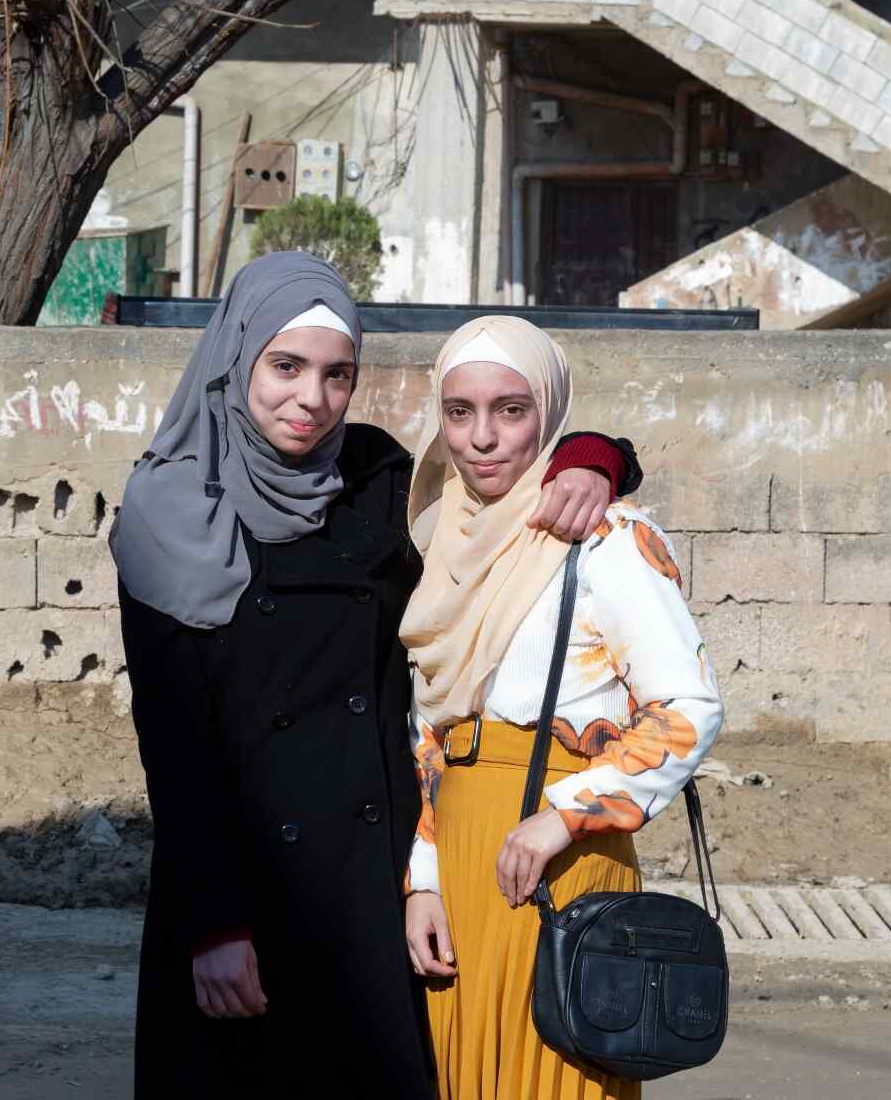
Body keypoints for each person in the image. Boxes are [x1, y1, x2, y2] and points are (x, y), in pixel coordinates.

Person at [111, 255, 641, 1098]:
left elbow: (493, 473)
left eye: (336, 374)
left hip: (370, 883)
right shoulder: (167, 512)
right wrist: (211, 925)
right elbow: (174, 749)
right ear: (236, 355)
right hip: (242, 886)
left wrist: (594, 457)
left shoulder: (373, 478)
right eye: (285, 367)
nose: (310, 399)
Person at [400, 317, 723, 1100]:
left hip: (561, 861)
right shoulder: (437, 536)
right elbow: (431, 736)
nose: (482, 438)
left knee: (554, 1073)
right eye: (459, 412)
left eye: (512, 410)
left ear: (549, 410)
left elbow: (687, 708)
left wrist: (564, 815)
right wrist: (422, 881)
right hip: (462, 861)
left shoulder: (604, 535)